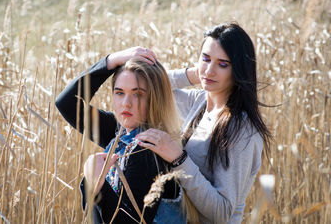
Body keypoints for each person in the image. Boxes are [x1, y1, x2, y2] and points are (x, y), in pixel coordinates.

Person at [113, 22, 273, 223]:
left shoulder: (241, 129)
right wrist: (193, 74)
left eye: (222, 64)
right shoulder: (199, 102)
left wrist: (178, 158)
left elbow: (223, 212)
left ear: (239, 70)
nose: (210, 70)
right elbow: (156, 83)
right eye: (205, 59)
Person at [55, 54, 184, 223]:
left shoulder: (147, 149)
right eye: (119, 93)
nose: (126, 103)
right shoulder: (120, 131)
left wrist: (95, 185)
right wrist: (111, 61)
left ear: (155, 98)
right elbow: (67, 103)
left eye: (137, 94)